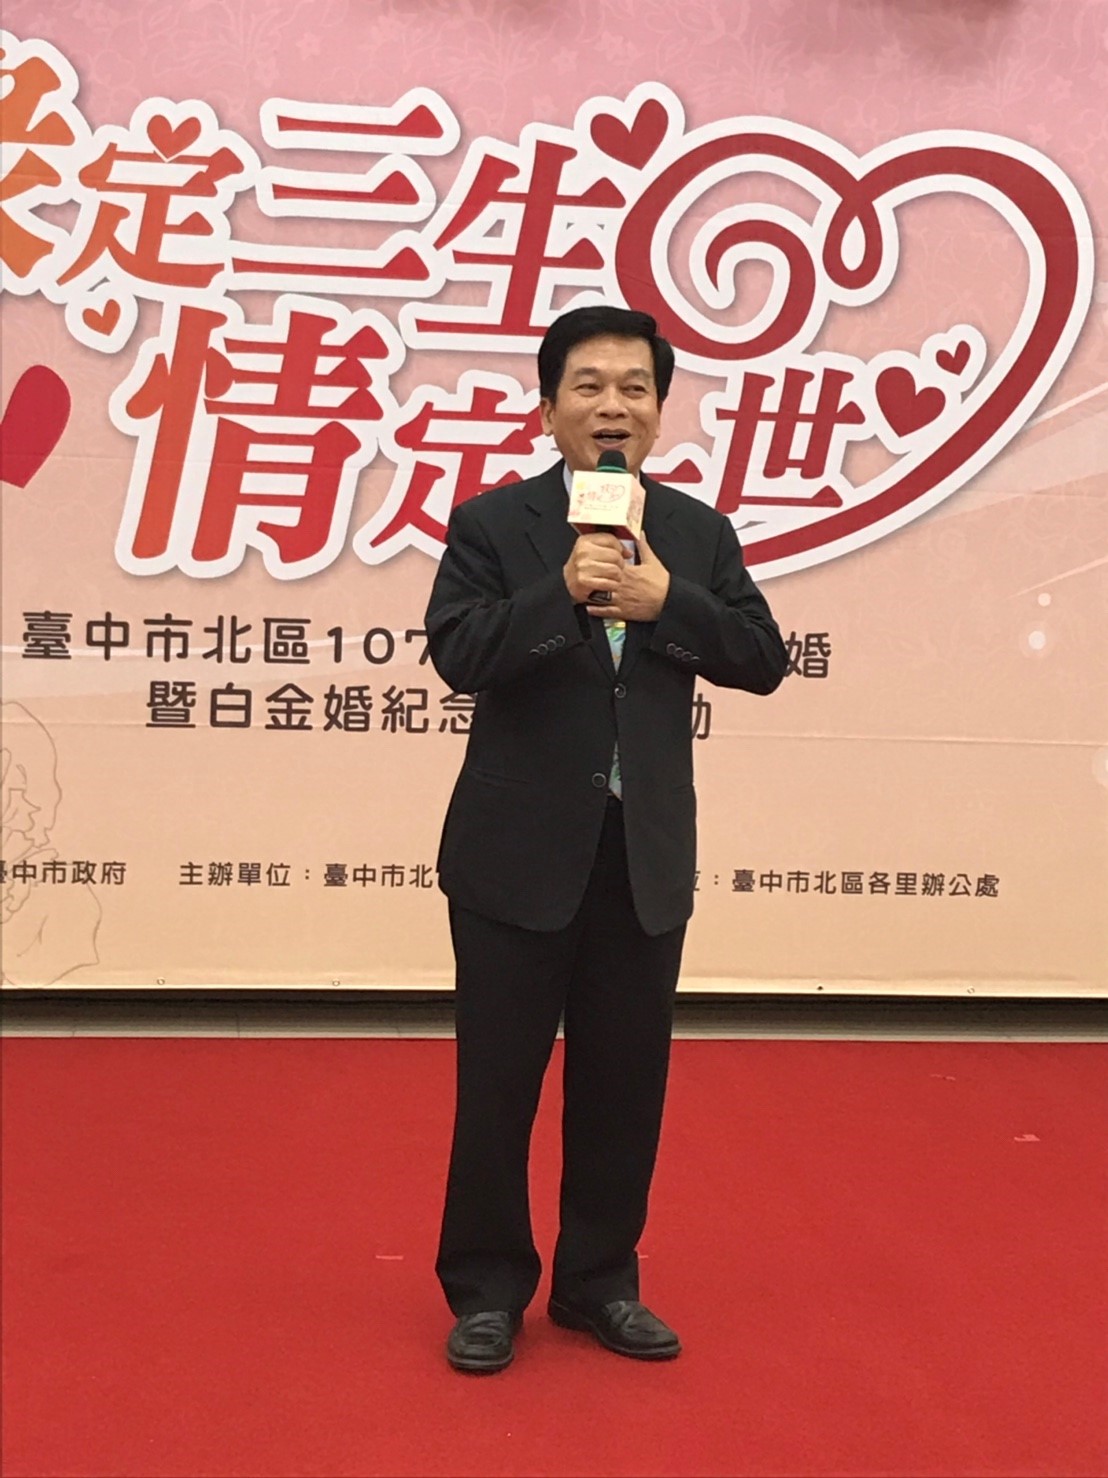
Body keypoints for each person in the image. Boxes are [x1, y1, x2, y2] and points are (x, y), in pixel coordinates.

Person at [425, 304, 788, 1374]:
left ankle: (599, 1282)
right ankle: (486, 1289)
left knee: (625, 1086)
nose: (612, 405)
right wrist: (564, 595)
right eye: (588, 386)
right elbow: (458, 653)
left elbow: (761, 657)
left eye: (635, 387)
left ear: (660, 412)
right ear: (549, 411)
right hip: (514, 853)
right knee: (499, 1086)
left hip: (642, 854)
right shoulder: (494, 525)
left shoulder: (697, 534)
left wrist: (667, 598)